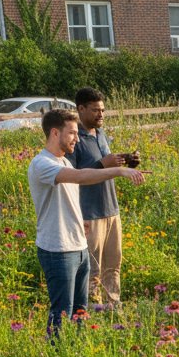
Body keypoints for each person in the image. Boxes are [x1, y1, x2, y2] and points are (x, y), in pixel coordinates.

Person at [28, 109, 143, 338]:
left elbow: (69, 194)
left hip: (78, 246)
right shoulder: (42, 164)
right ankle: (56, 352)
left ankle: (76, 348)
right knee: (62, 312)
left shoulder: (63, 161)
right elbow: (81, 177)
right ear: (55, 133)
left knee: (80, 312)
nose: (77, 139)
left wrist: (79, 221)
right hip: (58, 250)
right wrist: (118, 171)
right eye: (72, 133)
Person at [68, 87, 135, 309]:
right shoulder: (74, 139)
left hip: (111, 209)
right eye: (96, 110)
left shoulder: (101, 134)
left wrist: (125, 160)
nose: (101, 114)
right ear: (81, 109)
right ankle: (91, 309)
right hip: (89, 212)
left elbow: (106, 165)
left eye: (103, 110)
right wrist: (102, 164)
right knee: (92, 267)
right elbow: (72, 175)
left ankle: (113, 306)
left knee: (113, 264)